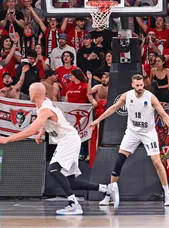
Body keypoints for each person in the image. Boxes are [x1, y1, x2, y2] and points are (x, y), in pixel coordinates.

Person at [0, 83, 119, 215]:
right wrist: (42, 132)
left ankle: (74, 204)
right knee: (70, 182)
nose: (28, 93)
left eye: (29, 91)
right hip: (68, 140)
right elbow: (48, 120)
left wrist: (7, 139)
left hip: (68, 140)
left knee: (53, 169)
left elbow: (30, 131)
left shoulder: (45, 108)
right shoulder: (44, 102)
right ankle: (107, 189)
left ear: (34, 94)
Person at [90, 74, 169, 207]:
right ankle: (109, 195)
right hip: (132, 132)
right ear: (132, 85)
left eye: (141, 85)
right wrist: (98, 120)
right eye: (137, 85)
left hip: (148, 132)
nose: (140, 87)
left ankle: (167, 194)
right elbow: (113, 108)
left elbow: (163, 115)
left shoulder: (150, 97)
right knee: (119, 161)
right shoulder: (127, 96)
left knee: (156, 161)